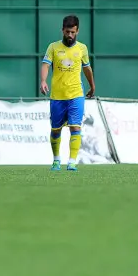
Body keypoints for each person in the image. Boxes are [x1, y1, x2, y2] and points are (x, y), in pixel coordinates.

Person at [40, 14, 96, 172]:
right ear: (62, 30)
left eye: (73, 32)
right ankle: (56, 160)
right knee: (55, 130)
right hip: (57, 96)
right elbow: (45, 65)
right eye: (67, 32)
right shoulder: (53, 47)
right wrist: (43, 81)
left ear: (77, 31)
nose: (69, 35)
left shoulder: (82, 48)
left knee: (75, 127)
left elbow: (87, 68)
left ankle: (72, 161)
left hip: (76, 94)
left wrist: (92, 86)